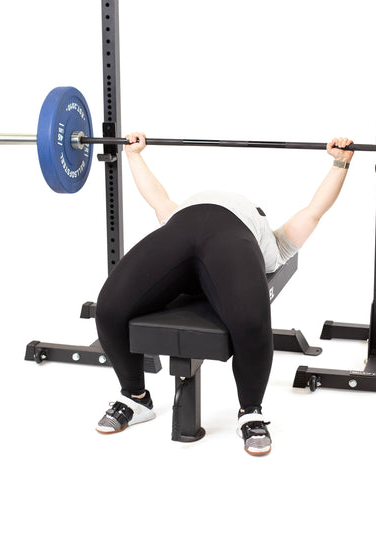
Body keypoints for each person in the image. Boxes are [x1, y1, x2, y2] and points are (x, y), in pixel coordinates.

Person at [94, 133, 354, 455]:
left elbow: (314, 210)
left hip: (233, 235)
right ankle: (135, 398)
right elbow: (158, 199)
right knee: (108, 308)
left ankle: (250, 413)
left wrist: (340, 163)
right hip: (182, 224)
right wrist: (135, 155)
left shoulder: (274, 245)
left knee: (251, 320)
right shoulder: (177, 211)